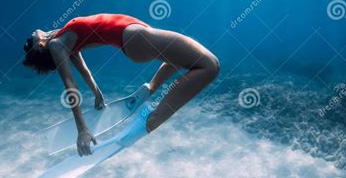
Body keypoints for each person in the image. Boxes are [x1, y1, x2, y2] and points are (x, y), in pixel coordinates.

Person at [23, 13, 219, 156]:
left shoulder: (62, 39)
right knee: (210, 66)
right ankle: (150, 121)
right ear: (40, 45)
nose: (30, 34)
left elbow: (84, 71)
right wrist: (82, 129)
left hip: (137, 38)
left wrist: (97, 93)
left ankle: (149, 89)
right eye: (29, 42)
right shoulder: (57, 44)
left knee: (181, 59)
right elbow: (70, 84)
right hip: (136, 38)